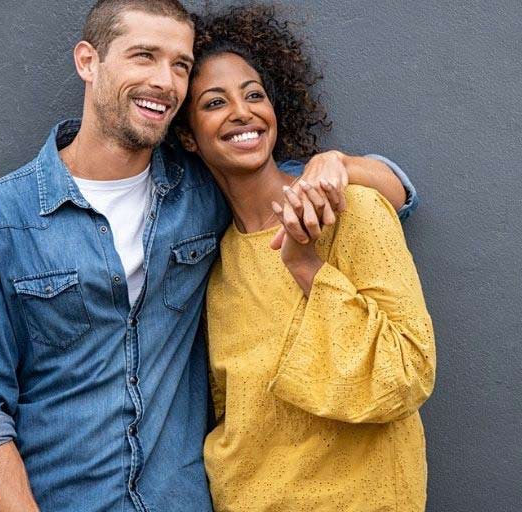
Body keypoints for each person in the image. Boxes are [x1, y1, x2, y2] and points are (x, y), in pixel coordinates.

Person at [0, 1, 417, 511]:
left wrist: (337, 163)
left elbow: (386, 190)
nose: (164, 81)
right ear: (87, 61)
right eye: (144, 56)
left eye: (180, 65)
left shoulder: (203, 191)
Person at [175, 5, 435, 512]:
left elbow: (408, 372)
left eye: (254, 94)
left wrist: (305, 267)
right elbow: (236, 416)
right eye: (214, 103)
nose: (242, 112)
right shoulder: (218, 266)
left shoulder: (352, 208)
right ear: (188, 135)